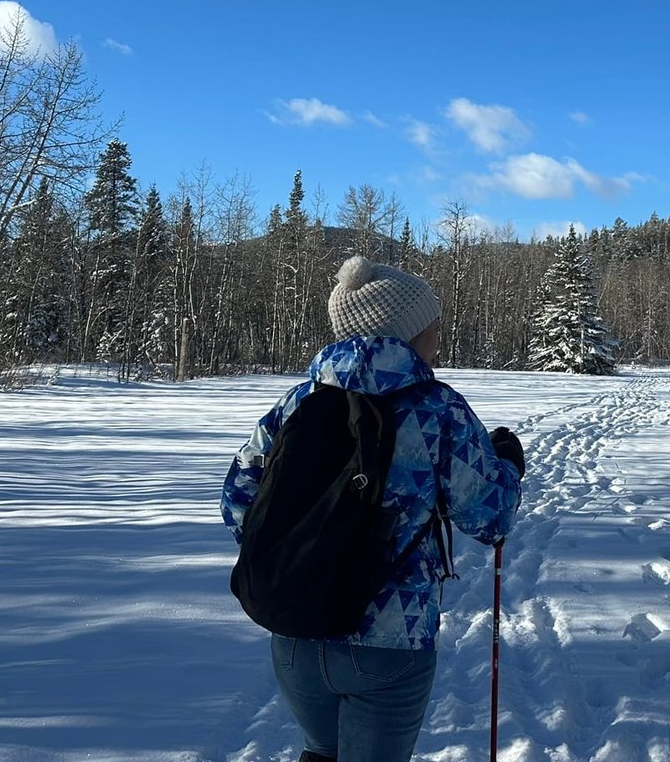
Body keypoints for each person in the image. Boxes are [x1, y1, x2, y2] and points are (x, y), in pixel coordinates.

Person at [222, 255, 524, 762]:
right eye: (432, 326)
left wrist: (307, 551)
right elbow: (489, 517)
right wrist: (507, 465)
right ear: (407, 333)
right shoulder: (436, 408)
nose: (438, 337)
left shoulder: (299, 401)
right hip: (391, 640)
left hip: (294, 630)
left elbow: (238, 501)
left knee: (320, 752)